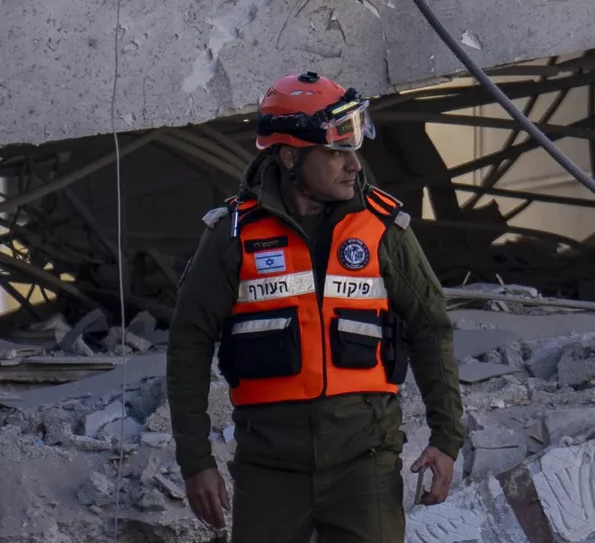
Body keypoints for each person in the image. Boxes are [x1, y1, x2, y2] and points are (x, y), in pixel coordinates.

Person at [167, 72, 464, 543]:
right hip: (268, 474)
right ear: (290, 156)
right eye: (335, 151)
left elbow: (431, 329)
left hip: (366, 468)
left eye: (353, 148)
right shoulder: (231, 236)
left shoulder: (384, 230)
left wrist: (446, 440)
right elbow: (188, 345)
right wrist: (196, 462)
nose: (353, 164)